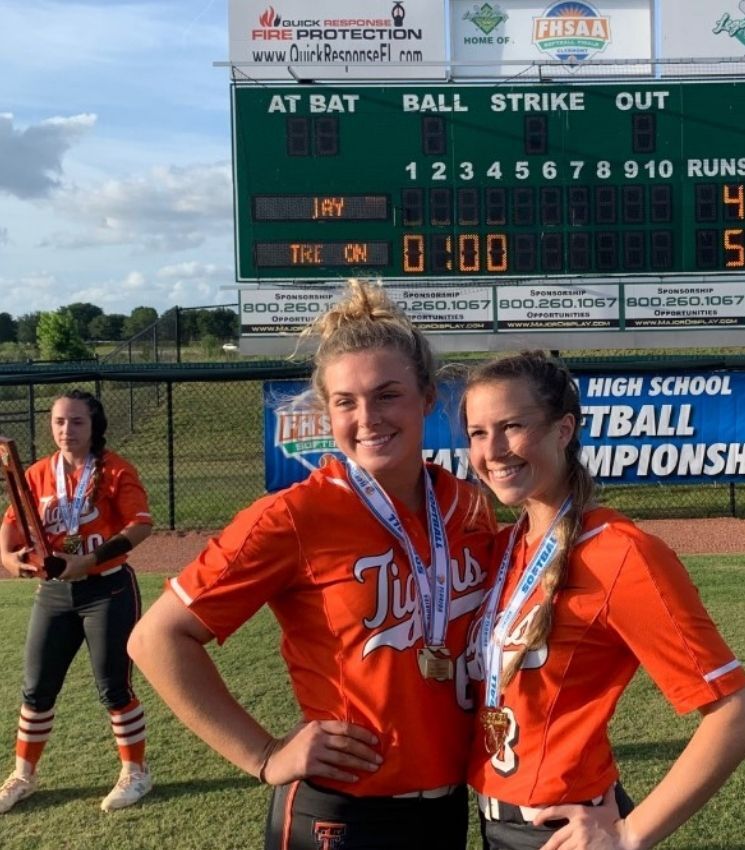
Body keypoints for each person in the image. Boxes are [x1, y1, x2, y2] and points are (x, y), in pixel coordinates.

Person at [128, 280, 495, 850]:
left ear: (427, 396)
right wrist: (265, 754)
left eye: (387, 394)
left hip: (448, 805)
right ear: (327, 410)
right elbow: (156, 639)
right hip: (341, 813)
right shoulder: (293, 516)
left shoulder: (468, 505)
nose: (367, 417)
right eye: (345, 401)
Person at [459, 351, 745, 850]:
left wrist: (629, 835)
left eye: (511, 426)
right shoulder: (506, 546)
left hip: (565, 830)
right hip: (495, 821)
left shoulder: (621, 554)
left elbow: (738, 716)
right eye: (477, 432)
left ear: (563, 430)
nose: (492, 450)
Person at [0, 389, 155, 814]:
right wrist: (8, 558)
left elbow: (140, 526)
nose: (66, 430)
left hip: (106, 589)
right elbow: (10, 526)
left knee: (113, 687)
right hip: (53, 593)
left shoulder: (115, 470)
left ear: (94, 426)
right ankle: (22, 776)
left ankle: (136, 772)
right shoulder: (35, 473)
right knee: (36, 688)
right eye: (59, 422)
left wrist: (85, 560)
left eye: (77, 422)